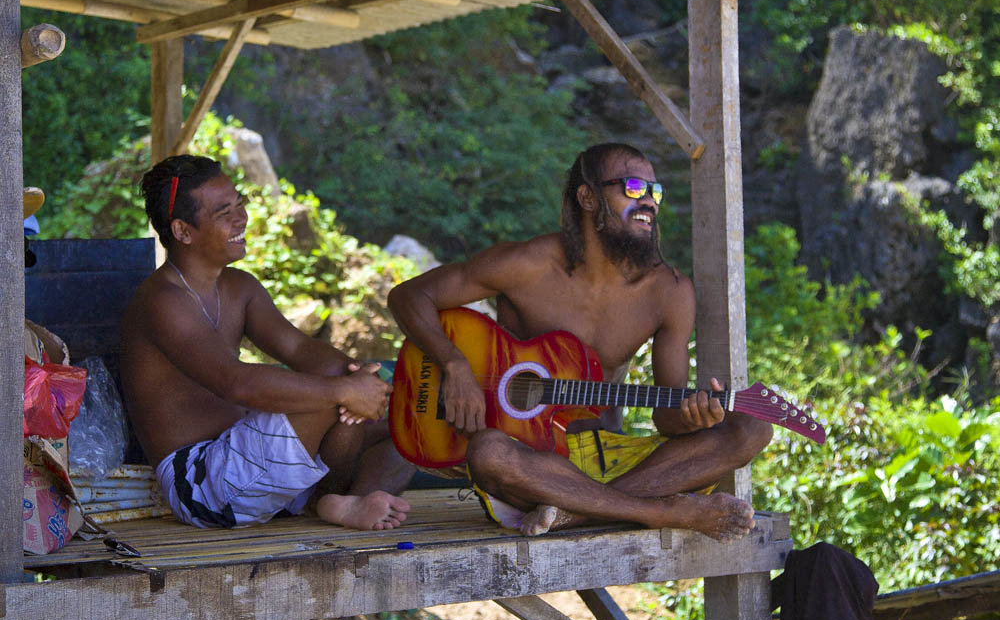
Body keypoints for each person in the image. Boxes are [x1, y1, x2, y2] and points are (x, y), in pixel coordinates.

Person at [387, 142, 772, 540]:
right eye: (634, 188)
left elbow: (667, 419)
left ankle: (580, 512)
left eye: (655, 192)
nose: (650, 203)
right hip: (536, 463)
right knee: (488, 454)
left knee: (752, 429)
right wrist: (454, 364)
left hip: (619, 461)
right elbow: (409, 296)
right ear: (587, 196)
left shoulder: (668, 292)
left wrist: (694, 415)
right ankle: (658, 511)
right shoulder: (527, 266)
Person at [121, 154, 413, 530]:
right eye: (224, 213)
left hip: (252, 461)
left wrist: (355, 375)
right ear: (182, 231)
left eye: (239, 204)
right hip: (202, 485)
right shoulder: (162, 300)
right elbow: (236, 382)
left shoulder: (239, 287)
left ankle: (345, 502)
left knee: (403, 427)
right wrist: (343, 389)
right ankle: (329, 500)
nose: (241, 218)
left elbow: (299, 349)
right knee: (331, 394)